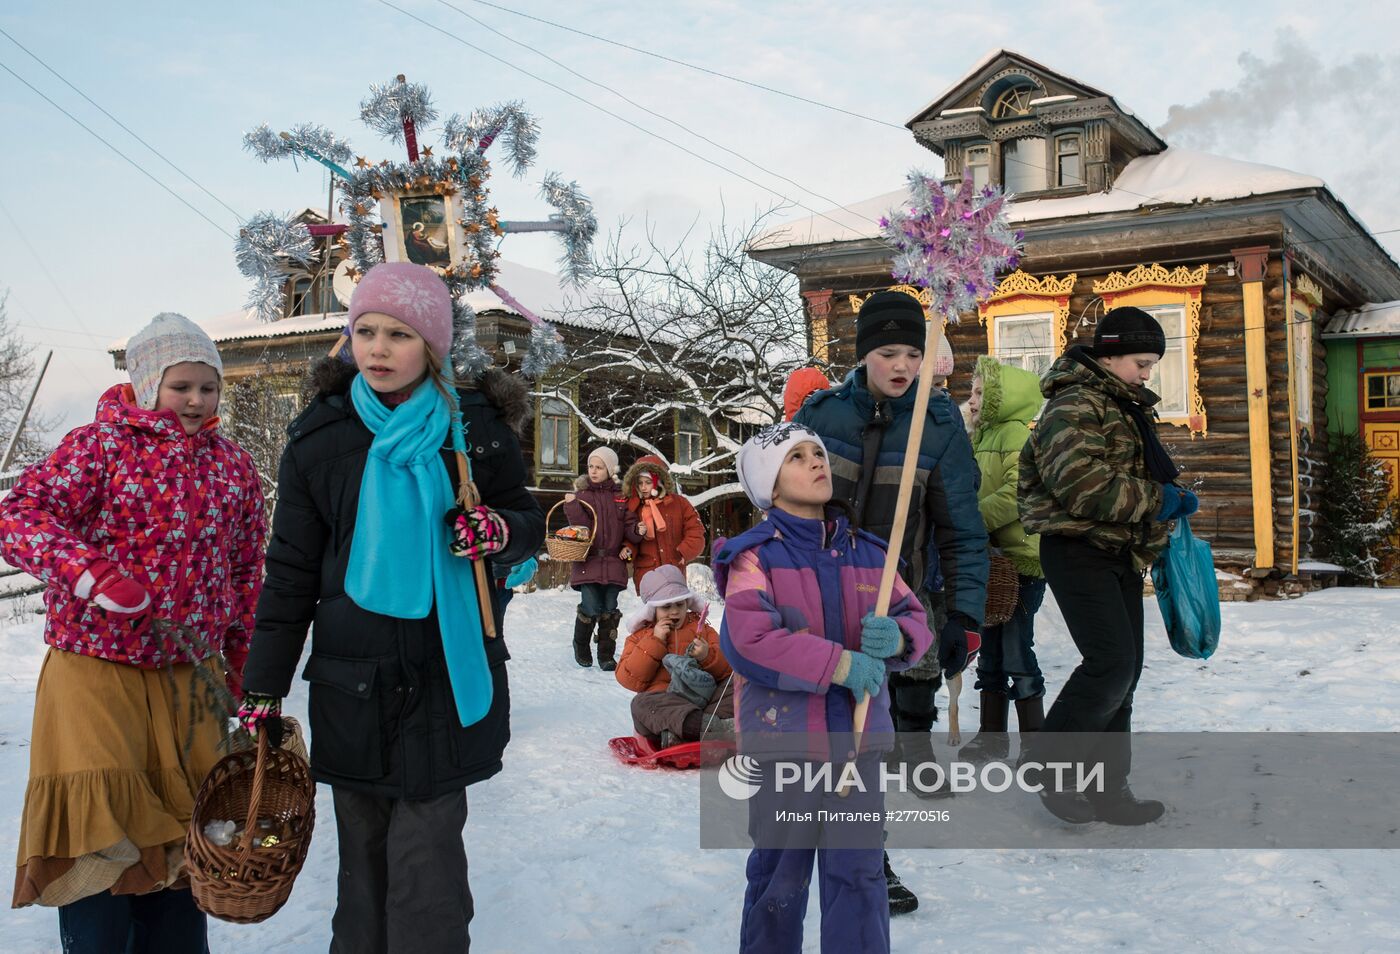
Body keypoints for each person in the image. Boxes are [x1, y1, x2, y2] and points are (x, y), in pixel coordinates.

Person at [237, 262, 544, 952]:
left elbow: (526, 519)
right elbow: (288, 572)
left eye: (399, 334)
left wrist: (496, 530)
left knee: (428, 874)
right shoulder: (321, 438)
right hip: (355, 686)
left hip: (445, 678)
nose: (377, 348)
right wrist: (264, 682)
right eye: (365, 330)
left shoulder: (475, 430)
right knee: (363, 875)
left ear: (431, 345)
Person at [0, 312, 266, 952]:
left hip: (188, 674)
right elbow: (18, 514)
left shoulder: (232, 467)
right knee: (103, 832)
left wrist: (244, 671)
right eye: (183, 387)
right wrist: (90, 574)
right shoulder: (98, 447)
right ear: (149, 384)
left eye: (209, 387)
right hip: (97, 670)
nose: (197, 401)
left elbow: (245, 571)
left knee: (190, 836)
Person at [793, 289, 987, 914]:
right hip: (815, 598)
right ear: (863, 355)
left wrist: (962, 615)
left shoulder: (938, 425)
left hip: (885, 604)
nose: (902, 365)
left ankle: (866, 858)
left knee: (864, 733)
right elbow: (783, 504)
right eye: (887, 352)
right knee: (814, 729)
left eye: (912, 353)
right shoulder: (822, 418)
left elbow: (961, 527)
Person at [716, 422, 934, 954]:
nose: (816, 462)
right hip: (786, 742)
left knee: (859, 876)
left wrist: (900, 638)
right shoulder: (756, 557)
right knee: (780, 878)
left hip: (858, 743)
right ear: (769, 483)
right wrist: (840, 665)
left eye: (818, 452)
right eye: (797, 457)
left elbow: (915, 619)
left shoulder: (870, 554)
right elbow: (750, 640)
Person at [1019, 306, 1196, 825]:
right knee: (1111, 664)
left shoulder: (1121, 405)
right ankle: (1052, 765)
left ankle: (1108, 790)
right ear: (1111, 354)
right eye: (1141, 362)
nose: (1147, 373)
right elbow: (1081, 486)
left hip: (1117, 549)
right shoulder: (1073, 405)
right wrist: (1159, 500)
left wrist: (1168, 499)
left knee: (1127, 671)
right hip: (1077, 548)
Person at [959, 356, 1048, 763]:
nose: (972, 400)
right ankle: (991, 736)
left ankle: (1036, 743)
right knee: (990, 650)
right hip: (992, 561)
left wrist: (973, 519)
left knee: (1016, 652)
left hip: (1020, 560)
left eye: (980, 393)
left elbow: (1018, 491)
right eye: (972, 392)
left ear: (1002, 397)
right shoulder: (982, 436)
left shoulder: (1015, 434)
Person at [615, 564, 733, 747]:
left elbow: (727, 668)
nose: (675, 611)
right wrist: (655, 641)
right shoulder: (641, 636)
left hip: (704, 701)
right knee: (640, 704)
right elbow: (627, 678)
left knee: (738, 680)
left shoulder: (703, 630)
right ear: (652, 610)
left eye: (680, 604)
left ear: (688, 603)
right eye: (666, 606)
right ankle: (713, 730)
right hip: (665, 704)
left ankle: (687, 733)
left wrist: (707, 656)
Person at [564, 447, 641, 671]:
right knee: (590, 605)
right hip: (588, 562)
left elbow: (629, 527)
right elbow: (582, 529)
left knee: (609, 608)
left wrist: (638, 530)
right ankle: (581, 646)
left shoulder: (620, 497)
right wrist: (572, 506)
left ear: (609, 469)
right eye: (591, 466)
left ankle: (606, 654)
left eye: (599, 467)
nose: (594, 471)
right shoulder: (582, 495)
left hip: (614, 563)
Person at [621, 454, 706, 592]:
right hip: (647, 574)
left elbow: (696, 530)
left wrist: (684, 552)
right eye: (640, 483)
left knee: (673, 611)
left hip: (674, 570)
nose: (643, 487)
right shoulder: (633, 507)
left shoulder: (679, 503)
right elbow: (628, 536)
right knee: (655, 612)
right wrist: (628, 549)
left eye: (648, 483)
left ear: (657, 482)